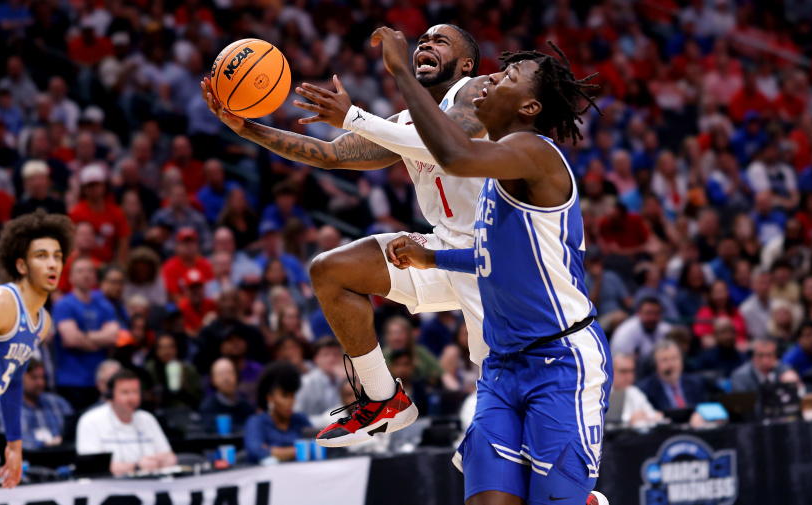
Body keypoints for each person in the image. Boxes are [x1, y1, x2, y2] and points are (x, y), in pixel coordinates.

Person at [201, 24, 489, 441]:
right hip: (440, 249)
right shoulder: (407, 121)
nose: (424, 43)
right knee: (330, 270)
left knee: (502, 400)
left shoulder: (478, 91)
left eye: (439, 40)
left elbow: (453, 141)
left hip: (493, 260)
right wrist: (248, 129)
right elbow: (334, 155)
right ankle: (383, 398)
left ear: (465, 62)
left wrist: (356, 117)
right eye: (422, 40)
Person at [374, 30, 610, 504]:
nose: (489, 81)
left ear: (528, 108)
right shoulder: (496, 173)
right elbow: (493, 260)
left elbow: (455, 154)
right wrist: (434, 258)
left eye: (506, 77)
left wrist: (402, 72)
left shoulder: (535, 152)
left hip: (561, 363)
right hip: (502, 369)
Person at [0, 209, 71, 500]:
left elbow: (12, 380)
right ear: (22, 265)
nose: (52, 263)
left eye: (57, 255)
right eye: (41, 256)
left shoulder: (42, 321)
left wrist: (14, 443)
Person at [76, 369, 177, 476]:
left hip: (151, 485)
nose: (132, 398)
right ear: (110, 395)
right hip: (110, 488)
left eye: (136, 392)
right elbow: (91, 466)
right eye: (125, 392)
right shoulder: (90, 420)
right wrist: (136, 466)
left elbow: (171, 457)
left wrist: (162, 461)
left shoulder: (147, 419)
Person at [52, 256, 120, 410]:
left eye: (90, 271)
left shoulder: (104, 304)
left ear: (95, 277)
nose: (86, 275)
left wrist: (86, 337)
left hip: (100, 380)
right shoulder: (63, 304)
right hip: (71, 380)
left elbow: (114, 336)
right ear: (71, 277)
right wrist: (100, 339)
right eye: (80, 271)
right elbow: (71, 339)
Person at [0, 359, 73, 450]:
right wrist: (43, 444)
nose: (40, 383)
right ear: (18, 378)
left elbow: (71, 433)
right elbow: (6, 439)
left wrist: (62, 441)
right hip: (25, 457)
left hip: (60, 455)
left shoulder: (58, 403)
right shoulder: (4, 406)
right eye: (33, 377)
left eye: (43, 377)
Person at [244, 362, 312, 463]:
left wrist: (272, 450)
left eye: (292, 395)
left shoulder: (300, 420)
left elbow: (318, 446)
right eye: (284, 396)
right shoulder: (256, 422)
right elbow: (256, 451)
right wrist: (300, 450)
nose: (291, 401)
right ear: (269, 398)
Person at [637, 340, 709, 411]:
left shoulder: (695, 383)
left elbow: (706, 408)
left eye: (674, 358)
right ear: (655, 364)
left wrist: (701, 414)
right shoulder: (645, 389)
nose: (671, 365)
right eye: (665, 360)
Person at [294, 337, 345, 424]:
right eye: (326, 355)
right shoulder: (305, 382)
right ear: (316, 359)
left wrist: (349, 380)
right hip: (313, 431)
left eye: (336, 354)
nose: (332, 359)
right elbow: (297, 414)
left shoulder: (346, 379)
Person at [199, 358, 256, 434]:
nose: (226, 378)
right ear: (212, 380)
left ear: (237, 376)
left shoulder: (245, 405)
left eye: (229, 373)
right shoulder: (207, 407)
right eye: (220, 374)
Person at [610, 297, 673, 362]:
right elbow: (619, 363)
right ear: (638, 313)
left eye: (656, 313)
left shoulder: (664, 329)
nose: (652, 318)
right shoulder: (626, 332)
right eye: (648, 313)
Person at [610, 353, 662, 428]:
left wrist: (654, 418)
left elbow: (653, 415)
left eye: (631, 371)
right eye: (623, 371)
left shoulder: (634, 391)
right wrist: (630, 421)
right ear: (610, 371)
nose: (629, 376)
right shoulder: (601, 393)